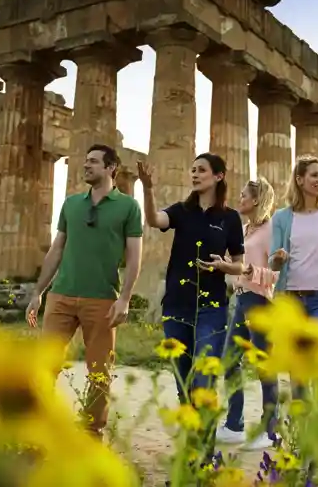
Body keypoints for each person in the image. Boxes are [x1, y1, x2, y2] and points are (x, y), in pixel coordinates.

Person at [26, 143, 143, 438]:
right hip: (61, 295)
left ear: (111, 168)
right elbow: (57, 248)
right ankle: (38, 424)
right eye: (85, 160)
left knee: (100, 372)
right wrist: (38, 291)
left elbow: (134, 257)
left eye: (93, 161)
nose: (86, 165)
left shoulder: (128, 207)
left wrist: (125, 298)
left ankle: (92, 431)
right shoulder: (71, 204)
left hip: (102, 299)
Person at [137, 153, 245, 401]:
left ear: (219, 176)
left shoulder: (230, 218)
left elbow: (240, 265)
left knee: (204, 375)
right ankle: (192, 432)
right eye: (193, 169)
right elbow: (154, 220)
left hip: (212, 307)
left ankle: (204, 437)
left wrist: (222, 266)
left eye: (201, 170)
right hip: (177, 305)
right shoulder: (181, 211)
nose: (194, 174)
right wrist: (148, 188)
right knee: (183, 381)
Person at [269, 154, 318, 440]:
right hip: (290, 300)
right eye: (314, 175)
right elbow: (273, 262)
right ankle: (303, 435)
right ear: (300, 180)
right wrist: (277, 259)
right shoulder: (281, 217)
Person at [215, 177, 279, 450]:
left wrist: (251, 272)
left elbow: (278, 274)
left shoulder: (272, 231)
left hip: (261, 301)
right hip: (241, 300)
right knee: (229, 360)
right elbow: (236, 264)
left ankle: (271, 430)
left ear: (256, 200)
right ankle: (234, 424)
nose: (239, 199)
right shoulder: (243, 229)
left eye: (244, 195)